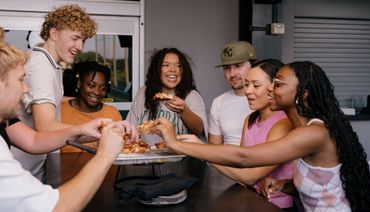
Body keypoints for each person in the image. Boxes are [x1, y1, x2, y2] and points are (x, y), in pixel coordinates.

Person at [152, 61, 370, 211]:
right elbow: (322, 181)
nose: (270, 89)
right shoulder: (303, 131)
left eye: (278, 83)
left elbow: (244, 157)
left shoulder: (314, 134)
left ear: (302, 94)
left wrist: (175, 143)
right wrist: (285, 185)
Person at [0, 41, 136, 211]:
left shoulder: (4, 123)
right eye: (21, 80)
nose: (26, 89)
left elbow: (34, 140)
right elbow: (57, 207)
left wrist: (82, 129)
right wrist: (106, 155)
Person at [11, 4, 98, 180]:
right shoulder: (41, 67)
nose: (80, 46)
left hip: (32, 171)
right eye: (75, 38)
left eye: (83, 40)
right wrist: (98, 131)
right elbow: (46, 127)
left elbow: (48, 102)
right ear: (54, 34)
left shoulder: (50, 64)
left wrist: (99, 134)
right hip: (20, 175)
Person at [211, 59, 295, 209]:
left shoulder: (283, 124)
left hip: (277, 206)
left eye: (255, 85)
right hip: (252, 199)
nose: (248, 91)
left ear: (275, 88)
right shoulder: (250, 119)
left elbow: (251, 176)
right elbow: (241, 163)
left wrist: (205, 154)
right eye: (247, 85)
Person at [126, 47, 208, 144]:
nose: (173, 69)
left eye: (179, 66)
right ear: (157, 70)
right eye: (166, 65)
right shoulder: (143, 92)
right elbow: (131, 128)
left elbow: (199, 130)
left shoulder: (191, 95)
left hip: (181, 156)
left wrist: (184, 111)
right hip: (147, 155)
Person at [61, 61, 122, 152]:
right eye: (91, 85)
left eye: (102, 88)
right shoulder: (61, 110)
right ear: (79, 84)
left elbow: (121, 148)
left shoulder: (112, 113)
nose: (97, 92)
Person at [209, 41, 255, 145]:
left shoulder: (267, 99)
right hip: (226, 160)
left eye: (238, 66)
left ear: (253, 65)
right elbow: (213, 151)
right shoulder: (218, 102)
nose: (232, 74)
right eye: (226, 68)